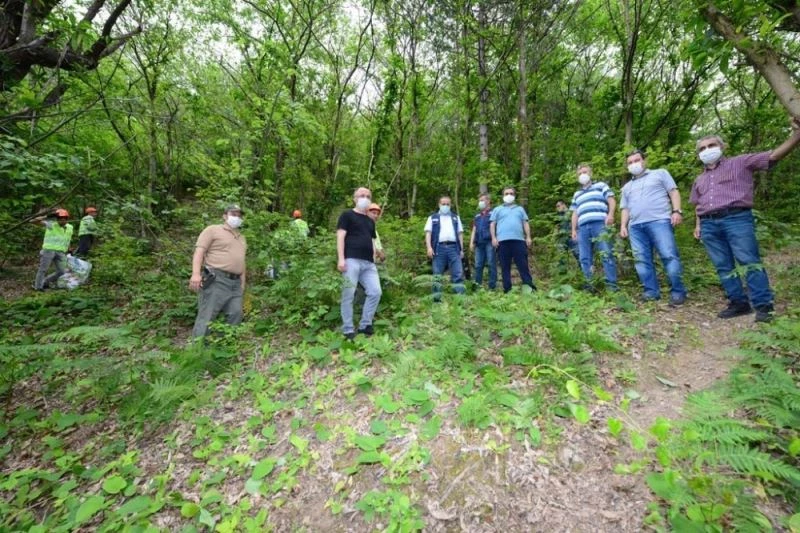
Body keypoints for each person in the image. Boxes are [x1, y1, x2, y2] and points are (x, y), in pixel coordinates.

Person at [689, 117, 800, 322]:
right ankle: (738, 303)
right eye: (702, 148)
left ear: (722, 147)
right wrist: (698, 226)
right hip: (708, 224)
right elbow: (698, 203)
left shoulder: (740, 162)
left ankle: (764, 306)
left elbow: (773, 156)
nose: (707, 150)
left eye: (711, 145)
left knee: (749, 261)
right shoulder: (699, 179)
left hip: (737, 218)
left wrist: (796, 136)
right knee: (723, 266)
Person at [620, 149, 687, 305]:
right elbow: (625, 208)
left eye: (636, 160)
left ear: (645, 160)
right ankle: (651, 291)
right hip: (635, 227)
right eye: (630, 163)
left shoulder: (660, 173)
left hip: (660, 221)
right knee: (641, 260)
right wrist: (623, 225)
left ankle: (678, 291)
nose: (633, 164)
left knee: (669, 255)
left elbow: (674, 192)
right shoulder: (626, 187)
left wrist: (677, 211)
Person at [189, 204, 247, 338]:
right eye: (233, 214)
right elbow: (199, 251)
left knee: (236, 313)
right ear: (225, 216)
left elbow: (242, 261)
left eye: (239, 215)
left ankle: (224, 347)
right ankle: (197, 351)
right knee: (207, 316)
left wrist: (243, 283)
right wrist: (196, 274)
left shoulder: (241, 238)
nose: (236, 217)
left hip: (235, 283)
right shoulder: (213, 230)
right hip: (216, 279)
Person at [337, 187, 382, 339]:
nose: (365, 197)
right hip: (351, 260)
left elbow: (372, 240)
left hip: (369, 264)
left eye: (368, 196)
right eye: (362, 195)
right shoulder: (347, 215)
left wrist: (374, 256)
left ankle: (365, 325)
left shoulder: (370, 220)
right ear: (355, 198)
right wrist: (341, 259)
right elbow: (340, 237)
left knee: (375, 292)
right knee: (348, 294)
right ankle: (348, 329)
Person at [569, 166, 617, 291]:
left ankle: (611, 285)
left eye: (584, 172)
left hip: (600, 223)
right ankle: (589, 284)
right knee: (584, 257)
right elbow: (574, 213)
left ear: (590, 173)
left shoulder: (601, 185)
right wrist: (573, 229)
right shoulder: (577, 194)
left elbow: (611, 200)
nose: (582, 175)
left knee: (606, 253)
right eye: (579, 173)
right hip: (582, 228)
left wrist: (611, 215)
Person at [490, 187, 536, 293]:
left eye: (511, 193)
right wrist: (494, 238)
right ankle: (507, 289)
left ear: (514, 196)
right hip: (502, 241)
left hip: (519, 241)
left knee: (523, 264)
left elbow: (525, 223)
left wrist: (528, 237)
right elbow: (492, 224)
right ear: (503, 196)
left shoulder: (520, 209)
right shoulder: (497, 209)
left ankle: (529, 287)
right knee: (505, 266)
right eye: (506, 193)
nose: (509, 195)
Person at [424, 196, 466, 301]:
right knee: (437, 275)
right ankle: (437, 300)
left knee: (458, 273)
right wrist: (429, 247)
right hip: (439, 248)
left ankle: (459, 299)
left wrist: (461, 249)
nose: (445, 206)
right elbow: (428, 233)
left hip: (454, 248)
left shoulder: (456, 218)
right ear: (439, 205)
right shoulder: (433, 218)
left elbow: (460, 234)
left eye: (448, 204)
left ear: (451, 205)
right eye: (443, 204)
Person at [32, 208, 73, 291]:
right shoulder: (51, 224)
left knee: (61, 271)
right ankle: (38, 287)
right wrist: (46, 216)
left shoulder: (70, 227)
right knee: (43, 269)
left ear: (67, 219)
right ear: (57, 219)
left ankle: (45, 282)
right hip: (48, 250)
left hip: (61, 252)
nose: (62, 221)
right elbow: (33, 221)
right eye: (60, 219)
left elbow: (68, 238)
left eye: (64, 219)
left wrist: (69, 248)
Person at [470, 193, 497, 290]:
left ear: (488, 201)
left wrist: (495, 239)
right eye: (479, 200)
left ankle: (492, 287)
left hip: (490, 242)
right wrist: (471, 242)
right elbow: (474, 229)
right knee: (478, 265)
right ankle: (477, 287)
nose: (480, 202)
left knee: (491, 264)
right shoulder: (477, 216)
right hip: (478, 243)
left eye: (482, 200)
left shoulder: (494, 213)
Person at [555, 200, 579, 267]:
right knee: (561, 256)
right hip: (562, 239)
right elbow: (557, 227)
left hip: (572, 236)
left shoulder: (571, 213)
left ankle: (583, 272)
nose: (558, 208)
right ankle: (562, 273)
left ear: (564, 205)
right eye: (557, 207)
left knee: (578, 254)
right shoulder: (558, 217)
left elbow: (576, 224)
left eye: (559, 206)